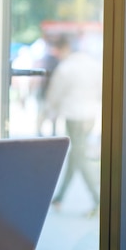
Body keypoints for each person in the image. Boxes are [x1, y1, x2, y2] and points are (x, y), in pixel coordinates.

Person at [45, 35, 102, 216]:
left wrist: (49, 113)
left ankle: (99, 200)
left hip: (73, 116)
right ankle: (60, 197)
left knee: (80, 157)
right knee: (76, 154)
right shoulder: (94, 65)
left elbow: (54, 94)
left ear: (64, 49)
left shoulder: (66, 68)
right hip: (90, 115)